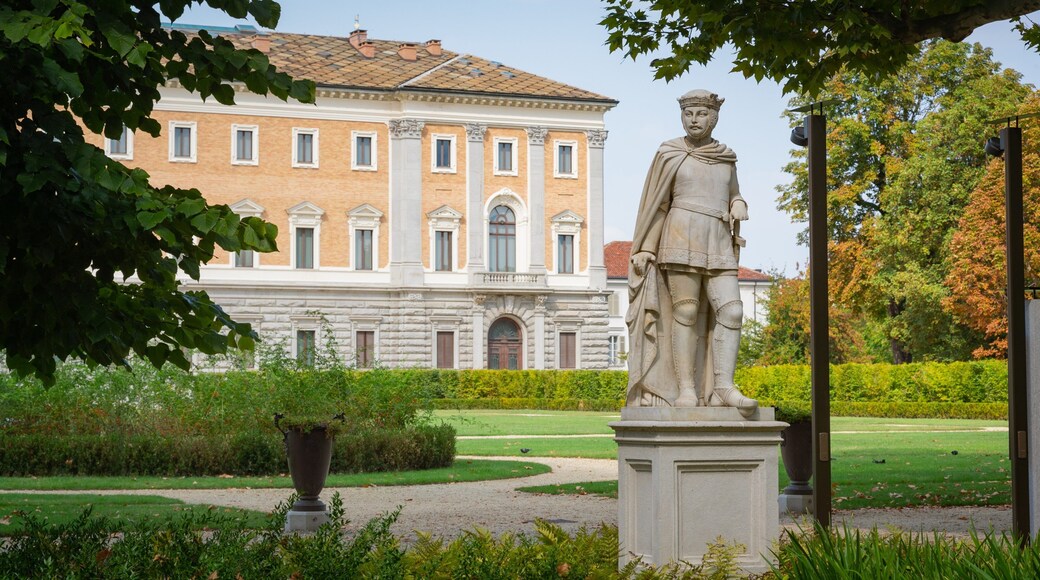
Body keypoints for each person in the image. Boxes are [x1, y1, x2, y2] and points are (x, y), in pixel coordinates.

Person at [626, 89, 758, 417]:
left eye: (701, 114)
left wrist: (739, 203)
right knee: (685, 312)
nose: (694, 120)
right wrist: (644, 247)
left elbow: (734, 192)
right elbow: (657, 205)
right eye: (689, 114)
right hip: (679, 234)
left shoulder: (726, 157)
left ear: (714, 117)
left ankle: (723, 386)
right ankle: (686, 388)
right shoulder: (669, 153)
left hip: (717, 238)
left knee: (732, 311)